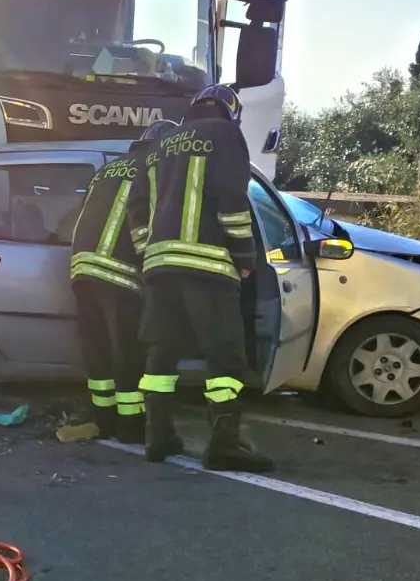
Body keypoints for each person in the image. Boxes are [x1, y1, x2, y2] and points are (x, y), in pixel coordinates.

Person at [126, 85, 272, 471]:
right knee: (225, 357)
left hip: (159, 267)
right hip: (207, 265)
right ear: (231, 113)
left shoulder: (161, 142)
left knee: (162, 352)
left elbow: (136, 210)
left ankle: (157, 438)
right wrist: (245, 257)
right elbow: (232, 201)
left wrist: (150, 257)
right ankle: (224, 445)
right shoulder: (225, 135)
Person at [68, 121, 169, 442]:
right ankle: (130, 426)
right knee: (127, 352)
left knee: (97, 351)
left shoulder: (108, 169)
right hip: (119, 271)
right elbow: (148, 222)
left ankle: (105, 420)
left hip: (83, 269)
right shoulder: (152, 169)